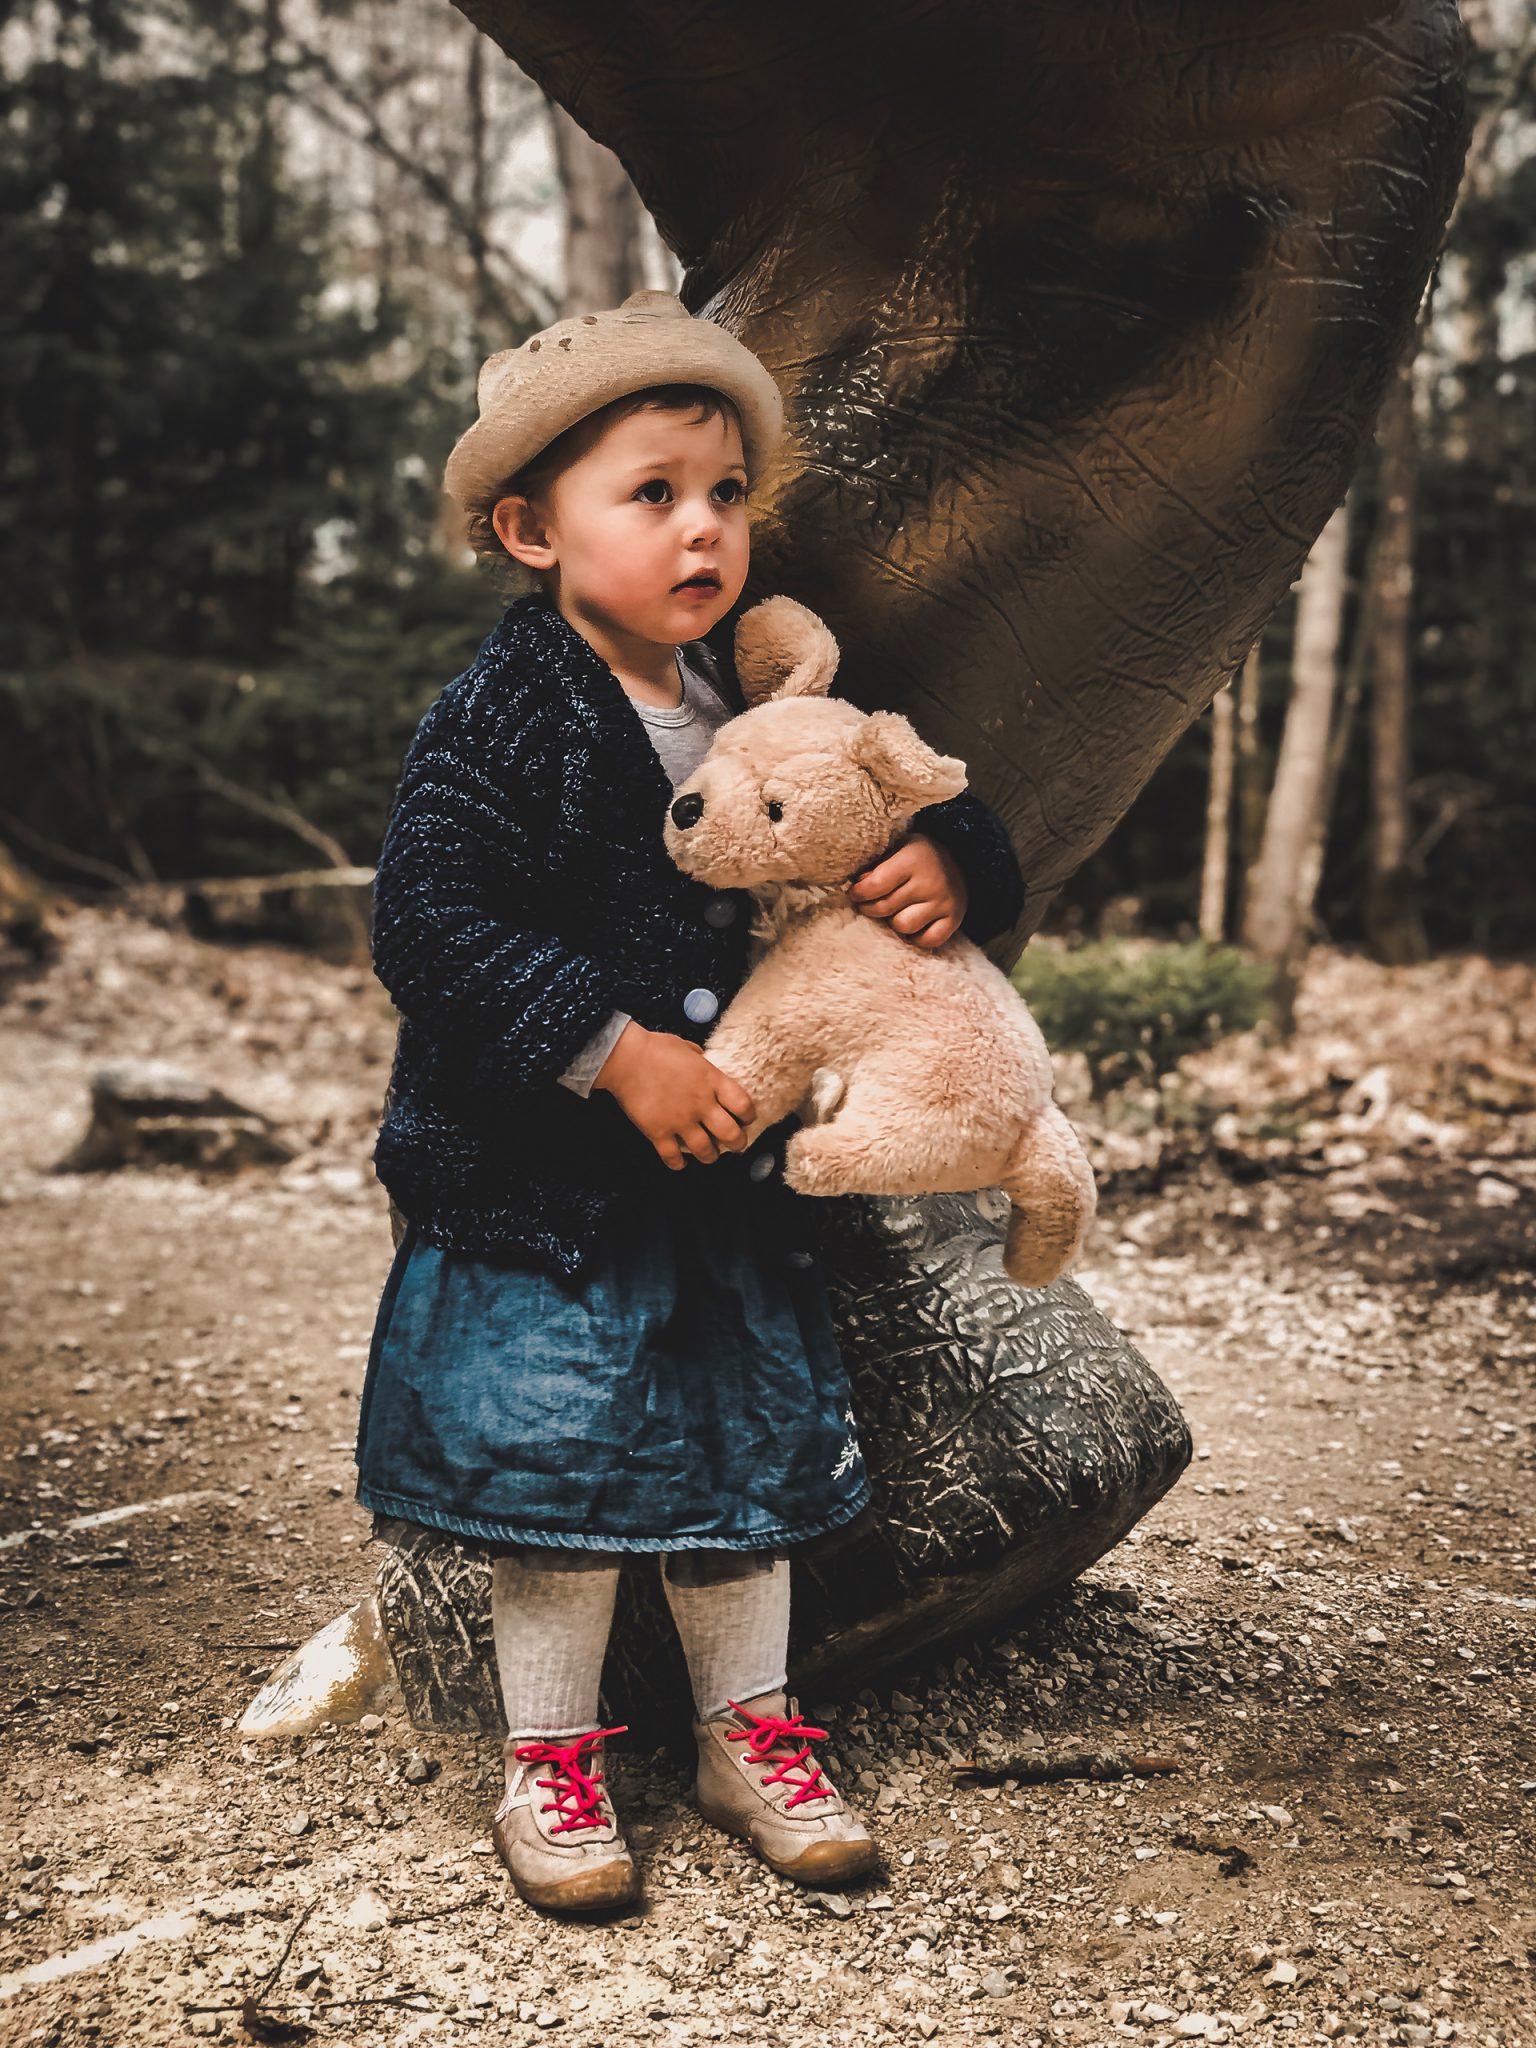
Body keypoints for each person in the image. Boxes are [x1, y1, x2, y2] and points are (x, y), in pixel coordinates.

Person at [357, 290, 1026, 1915]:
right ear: (534, 529)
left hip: (724, 1194)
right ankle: (553, 1760)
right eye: (651, 494)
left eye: (724, 495)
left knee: (743, 1464)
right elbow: (429, 918)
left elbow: (892, 794)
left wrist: (958, 864)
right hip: (547, 1196)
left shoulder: (757, 695)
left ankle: (750, 1729)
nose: (703, 529)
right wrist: (611, 1046)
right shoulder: (508, 717)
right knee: (558, 1475)